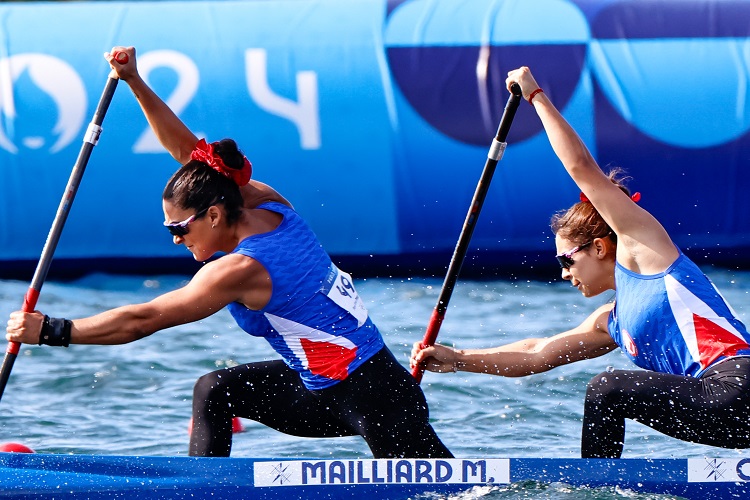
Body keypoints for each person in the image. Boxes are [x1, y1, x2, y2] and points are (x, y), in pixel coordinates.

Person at [5, 47, 453, 459]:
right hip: (325, 391)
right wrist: (134, 81)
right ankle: (207, 488)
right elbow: (191, 157)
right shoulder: (265, 201)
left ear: (214, 216)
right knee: (215, 389)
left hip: (377, 398)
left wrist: (52, 330)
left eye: (180, 228)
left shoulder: (240, 270)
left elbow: (143, 320)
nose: (176, 240)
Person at [410, 66, 750, 459]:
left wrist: (535, 95)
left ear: (601, 248)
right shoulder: (611, 321)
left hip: (736, 388)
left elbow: (581, 170)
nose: (562, 273)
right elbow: (537, 353)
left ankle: (594, 488)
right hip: (721, 414)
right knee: (609, 391)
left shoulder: (645, 250)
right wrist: (459, 359)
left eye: (566, 260)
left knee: (606, 388)